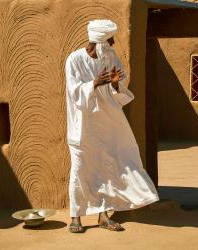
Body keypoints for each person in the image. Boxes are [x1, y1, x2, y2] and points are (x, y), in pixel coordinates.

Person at [65, 19, 158, 233]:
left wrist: (115, 83)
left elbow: (118, 90)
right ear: (100, 41)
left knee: (106, 166)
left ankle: (103, 216)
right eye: (110, 39)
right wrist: (94, 83)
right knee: (80, 169)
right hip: (83, 126)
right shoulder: (74, 60)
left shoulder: (110, 57)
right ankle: (75, 217)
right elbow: (74, 92)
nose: (114, 42)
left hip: (107, 124)